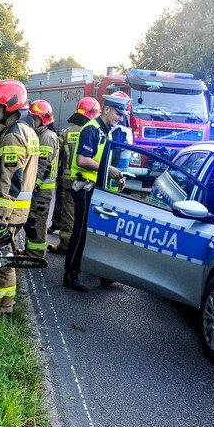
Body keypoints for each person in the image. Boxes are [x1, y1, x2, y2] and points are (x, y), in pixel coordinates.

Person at [0, 79, 40, 316]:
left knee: (1, 259)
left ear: (10, 105)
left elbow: (11, 183)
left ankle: (5, 310)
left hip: (10, 212)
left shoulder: (13, 136)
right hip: (17, 210)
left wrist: (0, 218)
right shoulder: (27, 131)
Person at [63, 91, 130, 292]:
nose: (120, 118)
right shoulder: (91, 129)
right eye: (118, 113)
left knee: (97, 232)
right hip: (85, 189)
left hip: (96, 189)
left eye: (122, 115)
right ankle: (70, 275)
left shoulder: (105, 130)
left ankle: (102, 272)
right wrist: (107, 169)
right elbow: (82, 160)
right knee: (81, 233)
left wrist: (115, 175)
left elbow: (103, 162)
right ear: (106, 109)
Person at [48, 97, 101, 255]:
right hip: (90, 181)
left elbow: (58, 157)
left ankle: (66, 245)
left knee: (68, 214)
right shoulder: (95, 133)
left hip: (69, 182)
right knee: (86, 215)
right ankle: (84, 249)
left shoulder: (66, 132)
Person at [22, 99, 59, 258]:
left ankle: (36, 254)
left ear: (43, 119)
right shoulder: (42, 135)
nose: (32, 121)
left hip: (42, 190)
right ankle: (32, 250)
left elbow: (44, 166)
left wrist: (33, 186)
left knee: (37, 222)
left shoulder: (46, 137)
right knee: (32, 220)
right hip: (40, 189)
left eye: (35, 118)